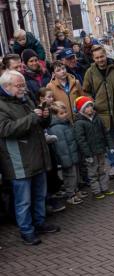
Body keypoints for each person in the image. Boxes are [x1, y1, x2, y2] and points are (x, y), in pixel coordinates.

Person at [0, 70, 60, 245]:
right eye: (19, 85)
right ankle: (26, 231)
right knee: (23, 200)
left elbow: (37, 122)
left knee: (39, 194)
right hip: (18, 160)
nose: (23, 88)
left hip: (36, 154)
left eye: (23, 84)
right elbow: (6, 129)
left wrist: (45, 117)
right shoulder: (2, 105)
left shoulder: (25, 98)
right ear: (6, 87)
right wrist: (33, 118)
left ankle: (39, 223)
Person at [83, 45, 114, 178]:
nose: (100, 60)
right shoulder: (90, 72)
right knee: (108, 143)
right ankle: (113, 166)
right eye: (97, 58)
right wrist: (92, 103)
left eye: (102, 56)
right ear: (93, 58)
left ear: (106, 55)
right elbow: (85, 90)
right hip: (101, 114)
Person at [73, 96, 114, 200]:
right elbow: (81, 140)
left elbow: (106, 133)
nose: (90, 109)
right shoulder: (79, 123)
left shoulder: (98, 118)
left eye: (91, 106)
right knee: (92, 172)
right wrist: (87, 154)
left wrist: (110, 146)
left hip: (100, 150)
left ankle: (105, 188)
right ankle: (96, 191)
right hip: (90, 153)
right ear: (82, 109)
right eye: (87, 107)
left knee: (103, 170)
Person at [47, 101, 85, 205]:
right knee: (69, 176)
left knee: (75, 174)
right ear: (55, 115)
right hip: (67, 158)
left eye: (65, 112)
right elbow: (61, 147)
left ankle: (76, 191)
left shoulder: (66, 124)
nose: (65, 115)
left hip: (72, 155)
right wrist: (65, 160)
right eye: (61, 113)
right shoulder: (56, 128)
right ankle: (70, 194)